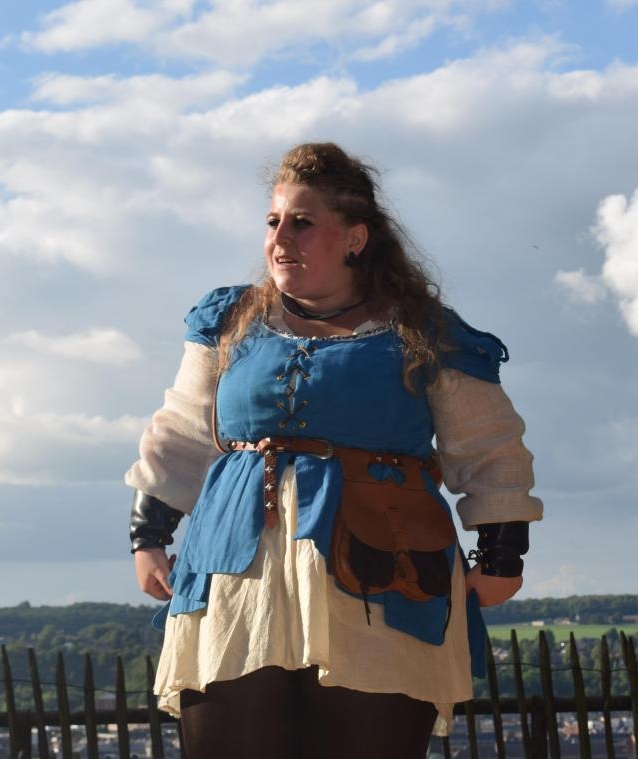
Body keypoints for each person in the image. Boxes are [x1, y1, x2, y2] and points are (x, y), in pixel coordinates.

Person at [125, 142, 542, 758]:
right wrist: (149, 531)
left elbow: (489, 447)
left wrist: (502, 552)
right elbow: (183, 429)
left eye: (302, 222)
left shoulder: (424, 333)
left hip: (380, 570)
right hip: (237, 572)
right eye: (273, 221)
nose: (280, 238)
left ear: (354, 238)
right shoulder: (230, 322)